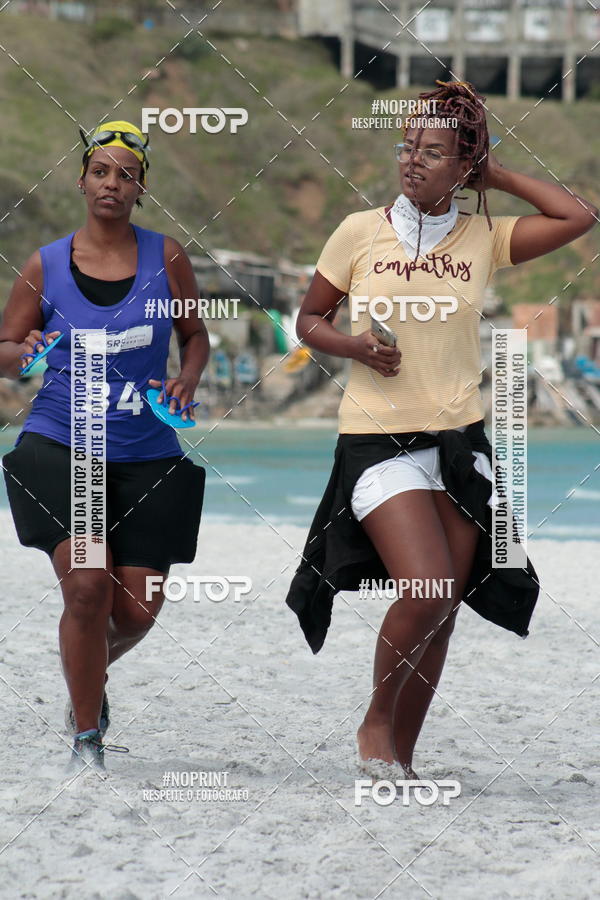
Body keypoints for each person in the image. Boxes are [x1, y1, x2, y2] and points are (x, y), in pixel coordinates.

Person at [285, 81, 598, 778]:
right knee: (425, 587)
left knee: (445, 607)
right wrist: (355, 347)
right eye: (408, 147)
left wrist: (499, 175)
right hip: (375, 440)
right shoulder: (358, 232)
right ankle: (374, 723)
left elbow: (580, 215)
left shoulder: (486, 236)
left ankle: (403, 755)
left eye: (433, 152)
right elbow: (307, 320)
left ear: (465, 166)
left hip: (458, 443)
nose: (413, 161)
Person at [0, 121, 209, 772]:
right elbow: (5, 350)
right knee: (87, 590)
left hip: (147, 450)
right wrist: (22, 352)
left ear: (141, 186)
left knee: (138, 611)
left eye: (126, 173)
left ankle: (85, 679)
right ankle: (87, 736)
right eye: (100, 171)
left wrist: (187, 377)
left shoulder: (167, 257)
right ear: (82, 180)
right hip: (68, 446)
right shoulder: (46, 263)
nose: (112, 183)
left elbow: (196, 336)